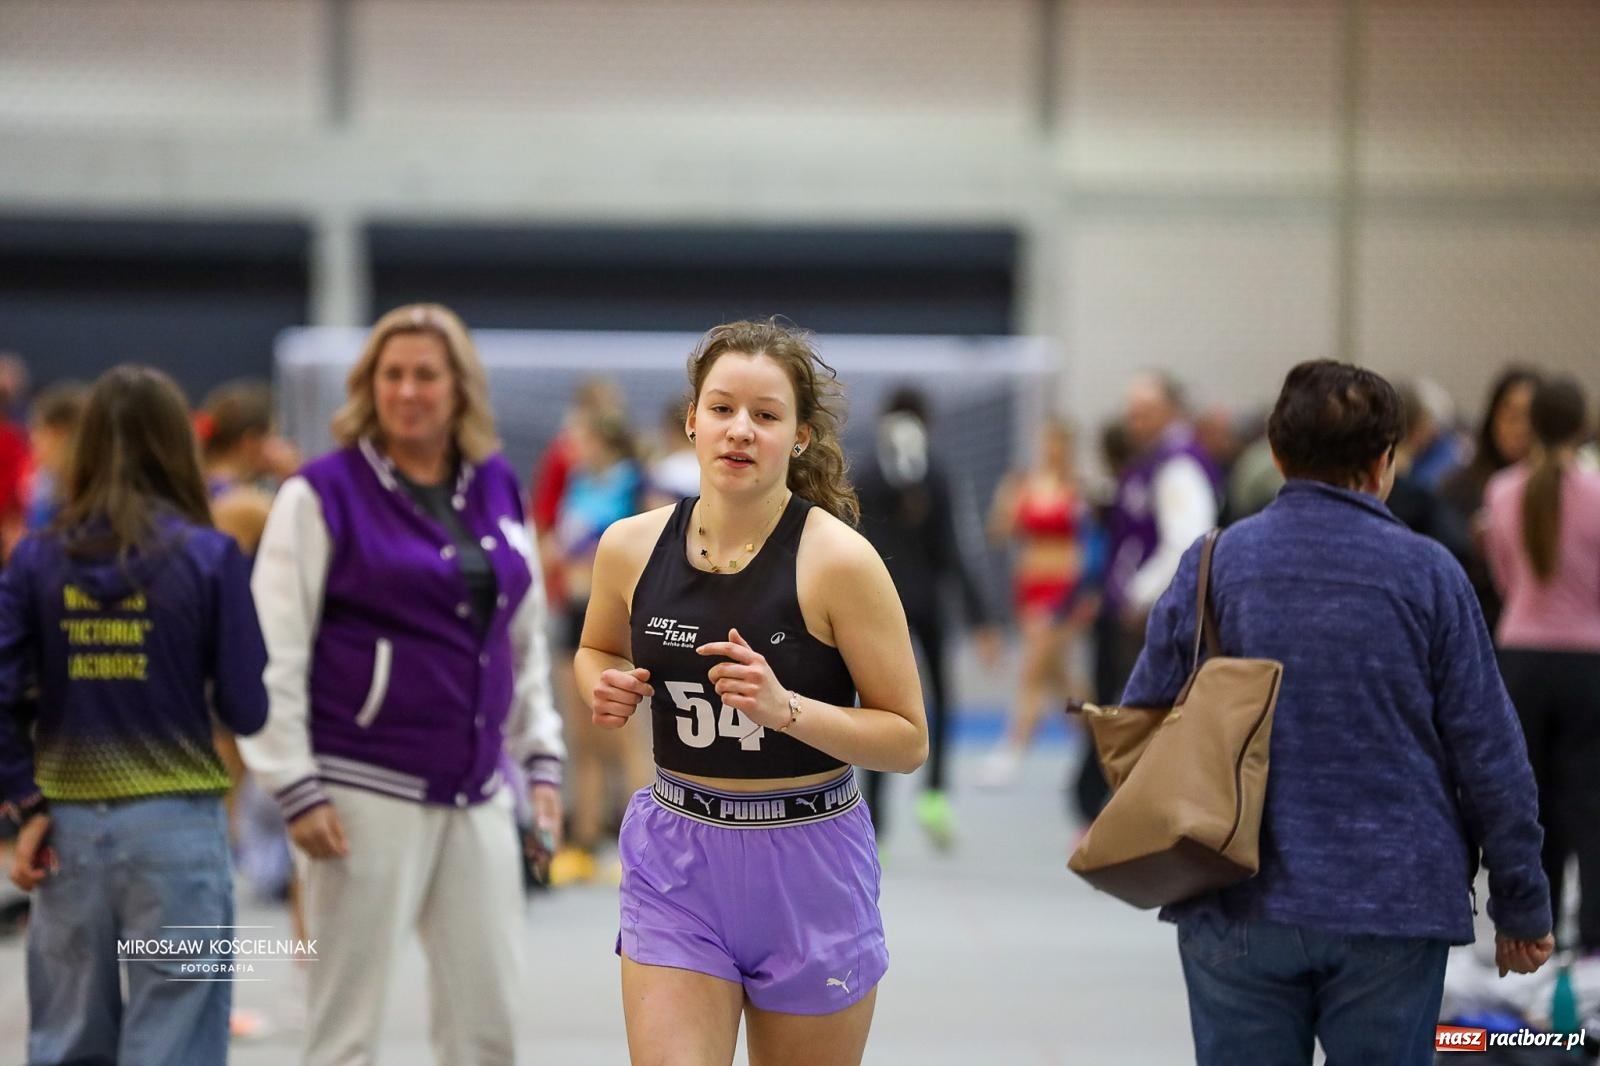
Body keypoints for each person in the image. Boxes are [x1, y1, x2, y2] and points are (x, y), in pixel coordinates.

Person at [1125, 360, 1553, 1065]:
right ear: (1386, 462)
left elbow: (1141, 721)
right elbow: (1490, 753)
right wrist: (1521, 903)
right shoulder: (1431, 575)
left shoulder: (1213, 565)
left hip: (1234, 899)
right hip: (1396, 903)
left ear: (1276, 451)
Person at [576, 319, 926, 1066]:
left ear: (799, 437)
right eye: (723, 408)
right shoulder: (629, 546)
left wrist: (785, 709)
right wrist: (601, 685)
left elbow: (907, 737)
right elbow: (595, 647)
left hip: (808, 860)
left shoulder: (840, 562)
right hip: (677, 855)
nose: (741, 431)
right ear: (691, 422)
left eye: (766, 416)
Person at [238, 303, 567, 1066]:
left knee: (488, 1025)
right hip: (358, 789)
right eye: (392, 374)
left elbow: (521, 641)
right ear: (368, 387)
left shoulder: (495, 484)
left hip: (480, 792)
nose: (408, 390)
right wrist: (292, 784)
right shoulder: (319, 493)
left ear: (459, 388)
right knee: (345, 1030)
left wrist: (540, 760)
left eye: (427, 374)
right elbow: (272, 653)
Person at [0, 364, 269, 1064]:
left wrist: (25, 804)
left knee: (66, 1042)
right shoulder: (211, 557)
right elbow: (247, 705)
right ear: (178, 447)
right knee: (177, 1038)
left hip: (66, 832)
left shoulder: (34, 561)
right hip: (176, 830)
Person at [1484, 375, 1600, 954]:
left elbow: (1504, 577)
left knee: (1534, 796)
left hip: (1523, 658)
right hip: (1588, 661)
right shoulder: (1598, 490)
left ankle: (1540, 917)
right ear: (1583, 425)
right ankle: (1596, 932)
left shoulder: (1503, 490)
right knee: (1590, 796)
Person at [855, 386, 998, 845]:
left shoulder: (870, 473)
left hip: (883, 604)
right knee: (939, 698)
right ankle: (933, 792)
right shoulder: (934, 474)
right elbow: (955, 549)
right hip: (927, 604)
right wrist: (981, 619)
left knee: (880, 705)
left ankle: (877, 817)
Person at [545, 403, 652, 886]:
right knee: (583, 732)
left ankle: (641, 845)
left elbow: (644, 548)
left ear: (601, 440)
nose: (570, 445)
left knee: (623, 737)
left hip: (617, 619)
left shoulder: (633, 484)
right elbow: (558, 544)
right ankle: (584, 840)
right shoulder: (577, 484)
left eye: (579, 436)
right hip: (571, 613)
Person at [1441, 367, 1540, 634]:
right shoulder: (1458, 486)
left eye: (1528, 417)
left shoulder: (1561, 492)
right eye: (1510, 415)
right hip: (1474, 624)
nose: (1519, 428)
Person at [23, 381, 86, 533]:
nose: (32, 439)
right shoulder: (44, 482)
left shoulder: (92, 489)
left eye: (38, 429)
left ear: (61, 434)